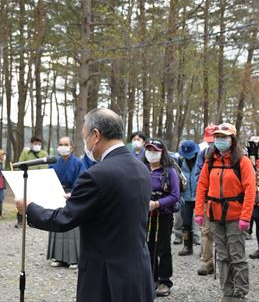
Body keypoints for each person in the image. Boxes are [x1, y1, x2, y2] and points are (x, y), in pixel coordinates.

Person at [16, 108, 155, 302]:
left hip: (106, 278)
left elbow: (63, 220)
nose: (85, 144)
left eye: (84, 137)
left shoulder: (97, 174)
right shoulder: (141, 168)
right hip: (138, 270)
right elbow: (116, 202)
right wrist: (81, 197)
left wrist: (29, 208)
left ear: (96, 135)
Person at [195, 123, 256, 301]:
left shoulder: (242, 161)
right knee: (221, 255)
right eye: (218, 137)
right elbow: (202, 187)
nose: (220, 140)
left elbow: (250, 190)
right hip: (215, 216)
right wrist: (199, 212)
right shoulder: (211, 160)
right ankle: (227, 291)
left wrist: (246, 217)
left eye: (224, 137)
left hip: (236, 217)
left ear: (232, 139)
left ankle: (240, 291)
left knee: (236, 255)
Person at [142, 138, 179, 297]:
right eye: (149, 150)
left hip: (163, 215)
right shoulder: (141, 168)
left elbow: (175, 195)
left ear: (162, 152)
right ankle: (150, 278)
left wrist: (157, 203)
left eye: (155, 151)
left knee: (163, 248)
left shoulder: (169, 171)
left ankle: (164, 280)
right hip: (144, 215)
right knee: (146, 246)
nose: (151, 154)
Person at [48, 136, 85, 269]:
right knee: (57, 223)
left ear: (71, 147)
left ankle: (73, 259)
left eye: (65, 144)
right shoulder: (53, 162)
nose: (63, 146)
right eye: (60, 144)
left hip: (71, 195)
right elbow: (49, 178)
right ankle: (58, 257)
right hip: (57, 195)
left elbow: (82, 181)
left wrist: (73, 194)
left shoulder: (78, 163)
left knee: (71, 227)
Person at [194, 123, 216, 276]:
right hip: (207, 199)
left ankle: (224, 262)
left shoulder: (235, 155)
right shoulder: (203, 154)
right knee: (206, 231)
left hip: (226, 201)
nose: (211, 144)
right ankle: (206, 261)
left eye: (213, 140)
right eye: (209, 141)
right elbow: (197, 177)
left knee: (223, 233)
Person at [15, 135, 48, 228]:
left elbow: (46, 166)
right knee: (22, 199)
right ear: (31, 144)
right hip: (26, 179)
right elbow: (20, 164)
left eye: (39, 144)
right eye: (35, 144)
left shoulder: (44, 154)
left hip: (39, 180)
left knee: (36, 202)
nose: (37, 145)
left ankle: (34, 221)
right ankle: (20, 220)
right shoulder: (26, 153)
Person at [177, 140, 200, 256]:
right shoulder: (180, 161)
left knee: (204, 224)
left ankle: (205, 249)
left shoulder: (201, 160)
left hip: (200, 196)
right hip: (185, 197)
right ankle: (187, 246)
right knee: (186, 223)